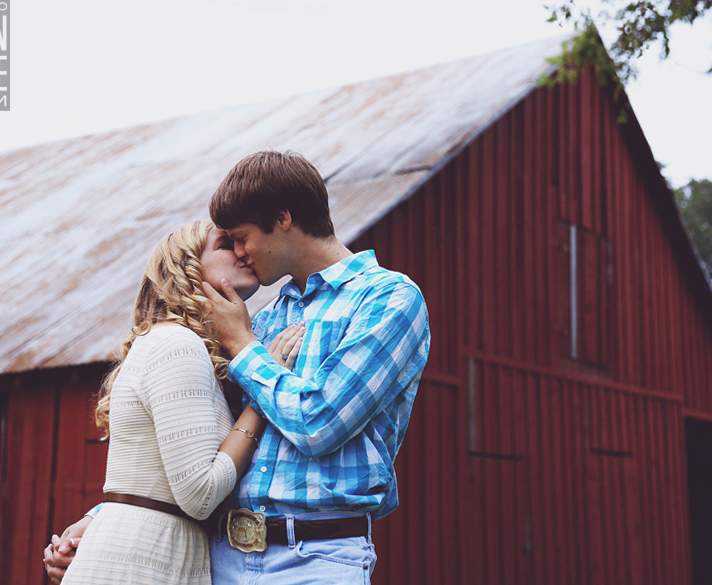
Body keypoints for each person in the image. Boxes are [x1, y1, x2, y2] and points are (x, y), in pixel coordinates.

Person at [46, 150, 430, 585]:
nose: (241, 253)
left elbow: (319, 423)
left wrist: (243, 346)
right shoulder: (263, 320)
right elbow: (198, 443)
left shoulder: (387, 299)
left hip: (315, 558)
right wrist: (104, 517)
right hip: (220, 558)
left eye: (241, 237)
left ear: (283, 218)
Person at [53, 220, 292, 585]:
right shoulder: (178, 346)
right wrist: (262, 399)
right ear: (187, 266)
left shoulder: (179, 346)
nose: (242, 250)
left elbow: (155, 480)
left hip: (160, 556)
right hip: (140, 563)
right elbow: (200, 493)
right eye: (225, 244)